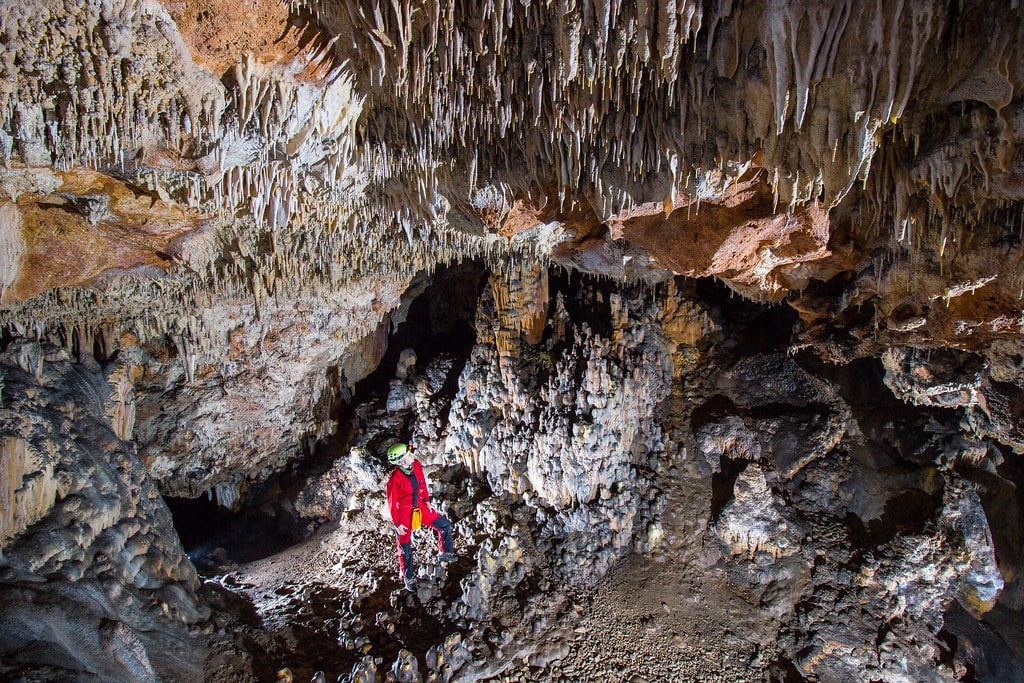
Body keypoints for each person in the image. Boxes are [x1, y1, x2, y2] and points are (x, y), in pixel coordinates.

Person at [385, 442, 456, 591]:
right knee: (405, 546)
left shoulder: (416, 464)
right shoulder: (395, 479)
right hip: (404, 513)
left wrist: (427, 500)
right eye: (408, 455)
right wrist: (397, 523)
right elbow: (392, 503)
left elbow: (422, 482)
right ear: (402, 461)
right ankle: (409, 577)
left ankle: (446, 552)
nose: (412, 456)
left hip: (420, 506)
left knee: (444, 524)